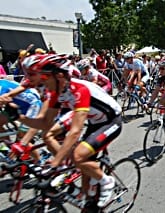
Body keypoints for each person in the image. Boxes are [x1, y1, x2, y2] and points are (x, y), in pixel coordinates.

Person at [17, 54, 123, 208]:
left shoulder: (80, 89)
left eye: (45, 78)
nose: (42, 83)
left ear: (59, 75)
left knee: (78, 155)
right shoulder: (56, 93)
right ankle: (89, 199)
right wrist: (19, 117)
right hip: (95, 124)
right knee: (86, 186)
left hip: (112, 121)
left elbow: (75, 131)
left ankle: (106, 181)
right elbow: (45, 123)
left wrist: (55, 164)